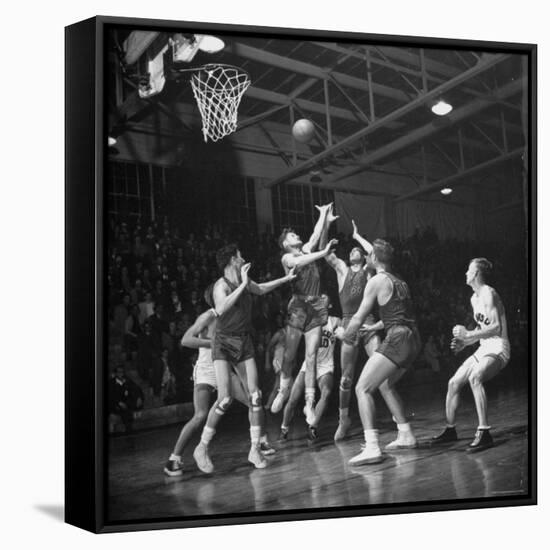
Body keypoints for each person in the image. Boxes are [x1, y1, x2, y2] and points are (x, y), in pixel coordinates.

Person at [192, 244, 296, 473]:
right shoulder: (221, 285)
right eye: (239, 255)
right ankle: (202, 447)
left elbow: (259, 289)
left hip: (243, 341)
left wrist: (284, 279)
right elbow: (222, 307)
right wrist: (242, 284)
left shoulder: (243, 280)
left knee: (256, 396)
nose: (243, 257)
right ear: (232, 260)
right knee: (225, 398)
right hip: (223, 342)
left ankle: (254, 449)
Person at [164, 285, 275, 477]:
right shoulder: (208, 316)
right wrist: (213, 343)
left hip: (224, 368)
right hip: (207, 370)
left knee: (253, 401)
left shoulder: (232, 319)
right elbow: (185, 340)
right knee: (200, 415)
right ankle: (174, 459)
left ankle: (260, 442)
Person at [343, 239, 421, 466]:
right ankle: (405, 433)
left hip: (398, 338)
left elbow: (358, 316)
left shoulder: (376, 280)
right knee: (385, 384)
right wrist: (376, 327)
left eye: (369, 255)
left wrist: (345, 334)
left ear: (375, 259)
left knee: (362, 388)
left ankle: (372, 447)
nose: (367, 258)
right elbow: (398, 314)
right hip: (413, 338)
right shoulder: (400, 281)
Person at [431, 258, 510, 452]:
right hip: (484, 347)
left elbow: (496, 328)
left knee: (475, 377)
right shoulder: (474, 298)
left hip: (499, 347)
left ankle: (484, 432)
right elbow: (481, 329)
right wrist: (464, 343)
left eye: (468, 269)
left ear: (475, 274)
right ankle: (450, 429)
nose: (466, 273)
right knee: (453, 383)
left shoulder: (489, 293)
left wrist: (468, 334)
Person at [319, 209, 384, 441]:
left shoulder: (368, 270)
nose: (356, 251)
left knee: (381, 369)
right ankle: (343, 419)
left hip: (367, 322)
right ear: (349, 257)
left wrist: (357, 236)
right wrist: (325, 224)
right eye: (353, 249)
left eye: (358, 250)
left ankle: (394, 415)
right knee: (346, 378)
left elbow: (373, 252)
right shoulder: (342, 269)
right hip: (348, 323)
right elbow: (325, 251)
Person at [271, 203, 338, 426]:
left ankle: (309, 403)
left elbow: (316, 233)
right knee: (290, 355)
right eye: (292, 235)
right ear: (285, 244)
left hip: (317, 306)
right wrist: (324, 252)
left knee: (311, 357)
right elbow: (300, 261)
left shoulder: (307, 249)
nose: (296, 235)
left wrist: (321, 214)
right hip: (299, 306)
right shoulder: (287, 259)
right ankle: (283, 389)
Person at [278, 310, 340, 442]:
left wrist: (345, 332)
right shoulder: (308, 320)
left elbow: (347, 328)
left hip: (325, 365)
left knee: (326, 393)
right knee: (293, 399)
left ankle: (313, 426)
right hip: (309, 365)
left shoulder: (334, 321)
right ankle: (284, 428)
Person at [108, 365, 144, 433]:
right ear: (115, 373)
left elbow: (136, 388)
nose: (121, 373)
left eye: (122, 372)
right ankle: (127, 429)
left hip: (127, 403)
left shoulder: (127, 380)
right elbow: (111, 396)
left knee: (130, 408)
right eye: (119, 372)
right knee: (123, 411)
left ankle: (129, 428)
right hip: (115, 404)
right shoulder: (111, 383)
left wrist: (139, 397)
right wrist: (119, 402)